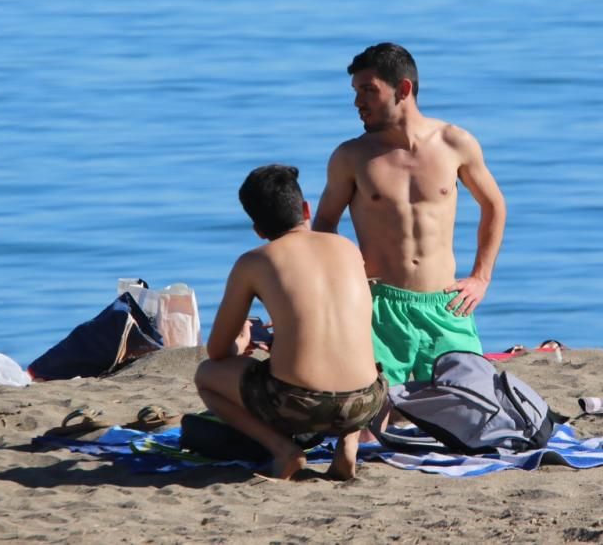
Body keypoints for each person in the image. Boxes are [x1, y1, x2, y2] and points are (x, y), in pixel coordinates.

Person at [312, 43, 507, 386]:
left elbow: (494, 205)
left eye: (369, 91)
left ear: (403, 89)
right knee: (375, 412)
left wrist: (481, 277)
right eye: (356, 91)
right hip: (380, 306)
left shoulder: (454, 143)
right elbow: (325, 223)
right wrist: (344, 278)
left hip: (446, 306)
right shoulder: (351, 156)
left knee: (470, 409)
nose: (358, 102)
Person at [194, 165, 386, 480]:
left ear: (257, 229)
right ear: (306, 209)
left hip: (297, 405)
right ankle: (348, 444)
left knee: (206, 375)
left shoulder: (254, 261)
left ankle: (283, 450)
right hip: (367, 401)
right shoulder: (347, 248)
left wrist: (241, 343)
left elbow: (216, 352)